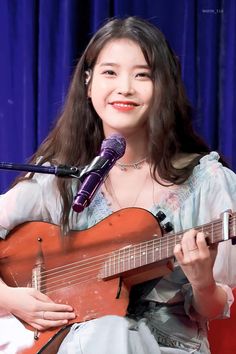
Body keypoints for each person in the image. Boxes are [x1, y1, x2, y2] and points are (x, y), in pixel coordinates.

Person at [0, 16, 236, 354]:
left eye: (142, 74)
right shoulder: (60, 179)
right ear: (87, 81)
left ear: (164, 85)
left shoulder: (207, 181)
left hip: (166, 346)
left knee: (111, 330)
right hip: (71, 341)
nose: (125, 87)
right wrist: (10, 298)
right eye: (110, 72)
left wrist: (202, 280)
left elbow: (212, 310)